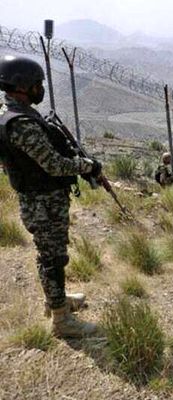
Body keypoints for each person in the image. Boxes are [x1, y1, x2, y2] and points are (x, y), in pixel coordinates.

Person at [0, 55, 102, 338]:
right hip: (42, 202)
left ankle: (56, 301)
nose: (40, 88)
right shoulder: (20, 124)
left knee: (52, 256)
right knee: (52, 258)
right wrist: (87, 165)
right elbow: (53, 164)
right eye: (37, 83)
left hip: (43, 199)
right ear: (22, 85)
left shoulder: (17, 116)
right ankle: (61, 321)